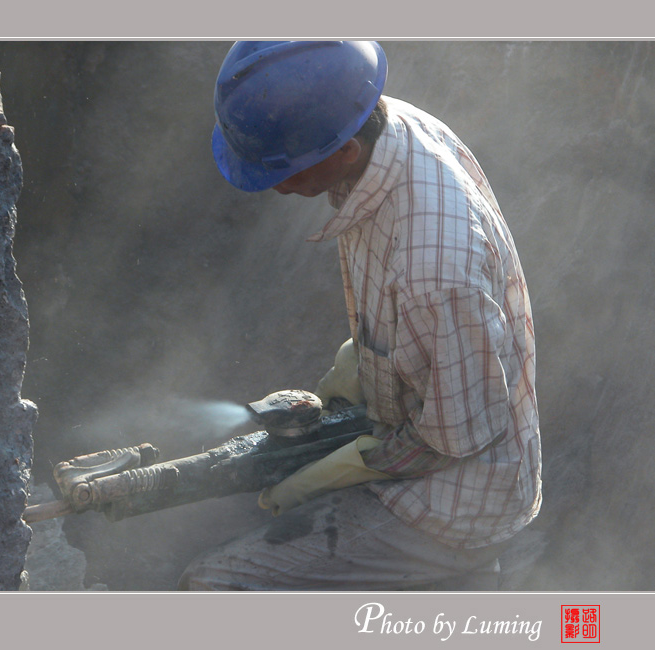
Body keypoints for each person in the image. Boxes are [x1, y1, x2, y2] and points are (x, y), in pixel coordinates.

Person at [178, 41, 541, 590]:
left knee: (211, 585)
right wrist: (360, 363)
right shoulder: (387, 128)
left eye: (284, 169)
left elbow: (453, 437)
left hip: (451, 502)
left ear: (344, 150)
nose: (277, 184)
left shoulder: (436, 272)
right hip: (425, 423)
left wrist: (333, 471)